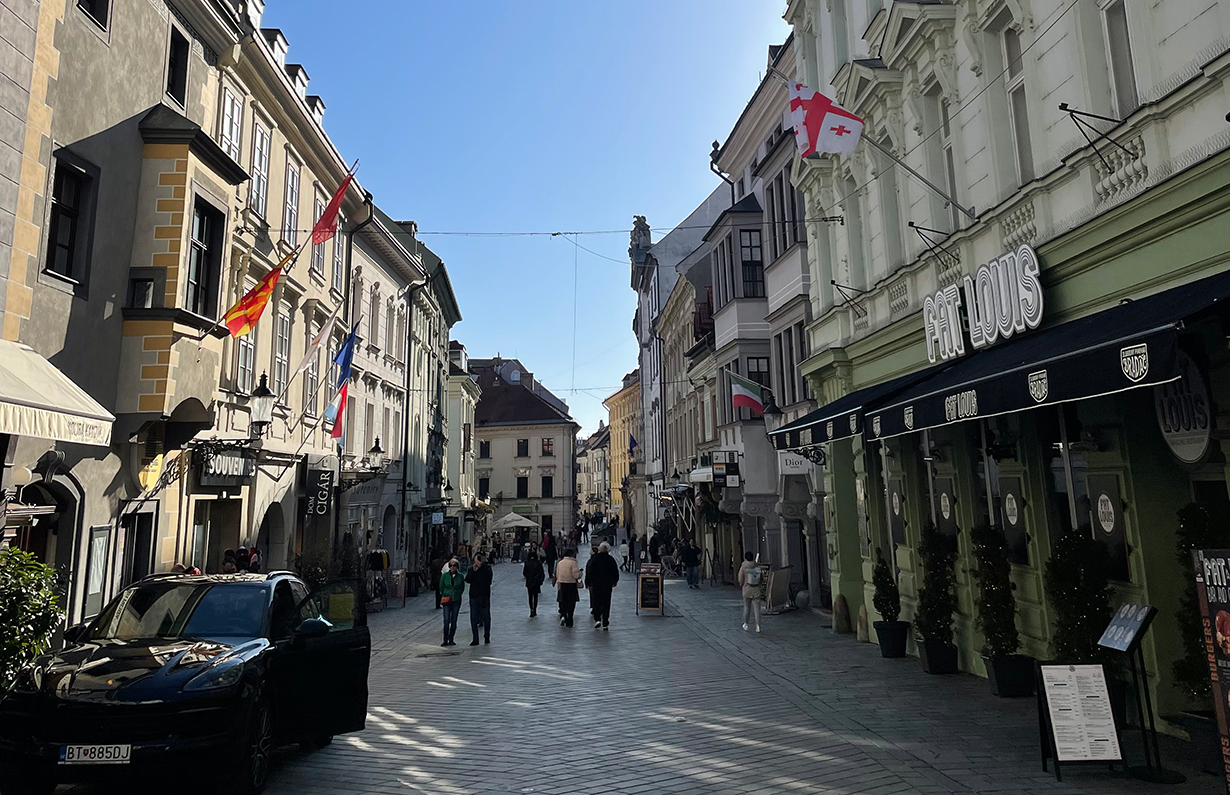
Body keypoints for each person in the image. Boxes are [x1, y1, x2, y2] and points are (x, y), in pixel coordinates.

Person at [587, 542, 620, 629]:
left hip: (596, 583)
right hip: (607, 584)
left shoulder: (595, 559)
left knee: (596, 600)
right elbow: (615, 571)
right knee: (606, 602)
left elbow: (590, 571)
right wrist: (615, 581)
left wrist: (588, 582)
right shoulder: (610, 559)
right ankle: (605, 620)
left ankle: (597, 618)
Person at [465, 553, 493, 645]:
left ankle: (487, 635)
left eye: (477, 560)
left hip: (484, 596)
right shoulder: (471, 569)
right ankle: (475, 638)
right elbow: (468, 580)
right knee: (473, 617)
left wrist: (482, 567)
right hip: (474, 596)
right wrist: (474, 571)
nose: (476, 562)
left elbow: (489, 580)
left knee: (486, 617)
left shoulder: (487, 569)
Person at [439, 559, 465, 646]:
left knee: (454, 620)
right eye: (451, 566)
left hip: (456, 600)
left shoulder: (460, 576)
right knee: (446, 620)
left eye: (454, 566)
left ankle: (451, 639)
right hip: (446, 600)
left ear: (457, 567)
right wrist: (445, 594)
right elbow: (441, 587)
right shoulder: (445, 576)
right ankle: (445, 639)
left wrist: (457, 594)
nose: (453, 567)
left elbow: (462, 588)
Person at [555, 548, 581, 627]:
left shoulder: (560, 563)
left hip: (562, 584)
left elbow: (557, 574)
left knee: (563, 601)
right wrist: (580, 574)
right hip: (571, 584)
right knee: (571, 603)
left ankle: (563, 615)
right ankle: (569, 619)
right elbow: (576, 575)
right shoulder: (573, 563)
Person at [738, 552, 763, 633]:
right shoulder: (757, 566)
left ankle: (746, 624)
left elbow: (740, 579)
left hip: (746, 590)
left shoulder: (743, 567)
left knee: (747, 607)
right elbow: (761, 579)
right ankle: (758, 625)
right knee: (757, 609)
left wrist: (742, 584)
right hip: (756, 590)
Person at [523, 548, 545, 616]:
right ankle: (535, 609)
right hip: (536, 582)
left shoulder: (527, 563)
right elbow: (542, 573)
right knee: (535, 596)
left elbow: (524, 573)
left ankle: (531, 609)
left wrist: (528, 577)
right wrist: (540, 580)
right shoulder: (538, 563)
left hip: (529, 582)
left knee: (530, 596)